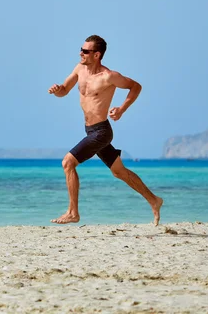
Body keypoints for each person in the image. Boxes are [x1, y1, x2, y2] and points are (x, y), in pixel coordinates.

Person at [48, 35, 163, 226]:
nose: (80, 53)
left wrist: (122, 108)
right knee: (119, 172)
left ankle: (72, 212)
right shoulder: (79, 69)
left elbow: (136, 86)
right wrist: (57, 89)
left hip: (101, 131)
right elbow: (64, 91)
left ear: (97, 55)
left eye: (85, 51)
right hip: (90, 130)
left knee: (68, 163)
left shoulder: (109, 76)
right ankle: (154, 200)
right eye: (81, 49)